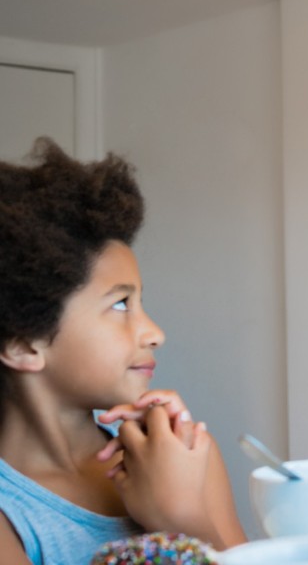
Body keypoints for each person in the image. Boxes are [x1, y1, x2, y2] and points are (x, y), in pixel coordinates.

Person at [0, 139, 246, 564]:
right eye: (119, 304)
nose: (155, 333)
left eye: (141, 302)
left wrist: (185, 517)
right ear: (24, 344)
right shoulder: (13, 515)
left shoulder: (185, 456)